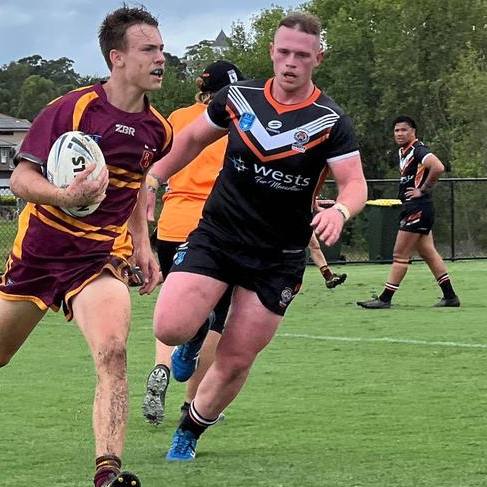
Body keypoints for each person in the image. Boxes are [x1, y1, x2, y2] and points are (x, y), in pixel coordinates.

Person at [0, 6, 171, 487]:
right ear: (117, 58)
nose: (160, 58)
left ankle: (107, 472)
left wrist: (142, 243)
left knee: (113, 353)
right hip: (39, 256)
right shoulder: (71, 109)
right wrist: (64, 195)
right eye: (148, 49)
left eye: (162, 48)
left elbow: (133, 184)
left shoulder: (159, 129)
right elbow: (21, 179)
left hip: (98, 260)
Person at [145, 12, 367, 461]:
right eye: (283, 52)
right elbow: (188, 142)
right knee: (168, 326)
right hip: (218, 236)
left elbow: (355, 183)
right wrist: (153, 178)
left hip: (277, 257)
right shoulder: (238, 99)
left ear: (317, 58)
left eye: (301, 55)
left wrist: (342, 210)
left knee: (236, 359)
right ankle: (194, 333)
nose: (290, 62)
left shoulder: (330, 120)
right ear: (271, 52)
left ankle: (188, 433)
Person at [142, 61, 243, 427]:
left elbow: (158, 162)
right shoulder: (237, 121)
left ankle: (160, 367)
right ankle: (192, 400)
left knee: (173, 307)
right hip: (216, 226)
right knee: (215, 319)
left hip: (172, 223)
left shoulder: (178, 117)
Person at [357, 116, 460, 309]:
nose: (400, 134)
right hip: (415, 207)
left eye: (404, 130)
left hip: (418, 207)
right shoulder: (403, 152)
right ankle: (450, 296)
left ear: (413, 131)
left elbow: (438, 167)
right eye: (397, 130)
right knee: (428, 253)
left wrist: (423, 189)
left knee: (399, 254)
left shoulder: (418, 149)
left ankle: (385, 299)